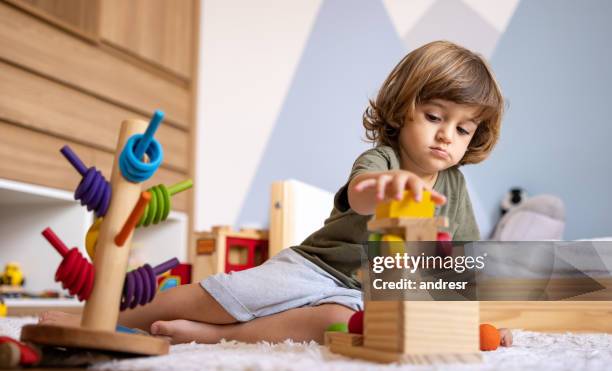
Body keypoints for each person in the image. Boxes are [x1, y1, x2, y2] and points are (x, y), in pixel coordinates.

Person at [40, 40, 513, 347]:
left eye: (464, 128)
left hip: (361, 295)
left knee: (332, 328)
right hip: (315, 267)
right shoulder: (382, 161)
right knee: (218, 295)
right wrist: (385, 190)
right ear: (403, 110)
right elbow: (362, 194)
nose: (447, 136)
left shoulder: (455, 185)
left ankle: (211, 338)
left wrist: (469, 322)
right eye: (434, 117)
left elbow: (461, 264)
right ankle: (93, 316)